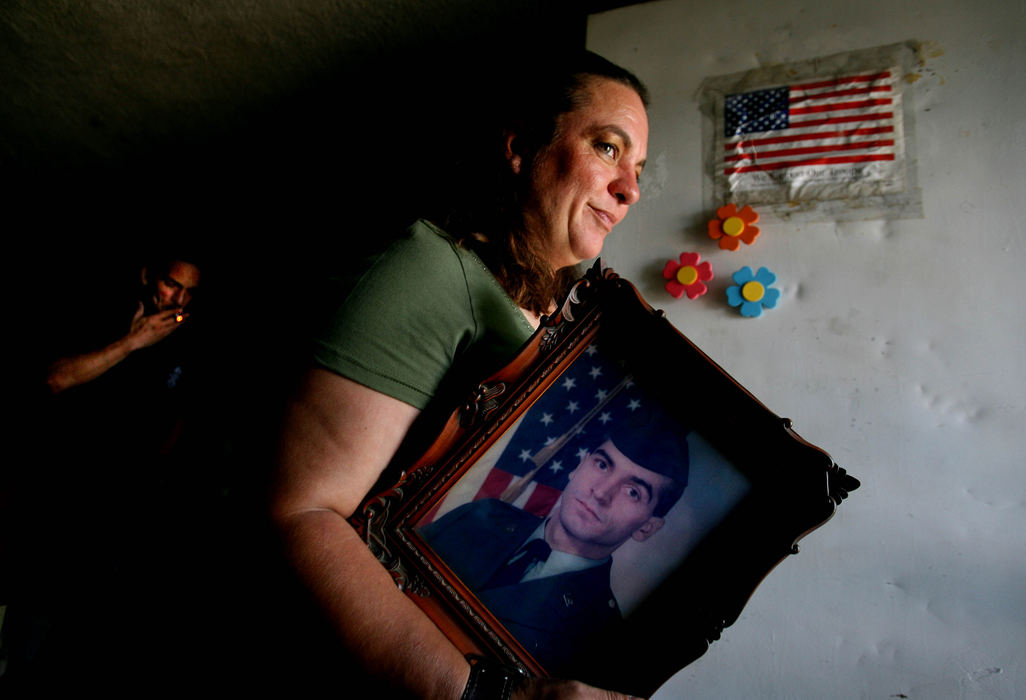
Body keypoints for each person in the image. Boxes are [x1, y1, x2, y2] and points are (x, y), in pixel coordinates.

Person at [271, 50, 650, 699]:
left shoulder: (559, 317)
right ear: (520, 146)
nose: (630, 190)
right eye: (608, 148)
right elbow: (300, 511)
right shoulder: (429, 271)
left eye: (637, 169)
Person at [419, 418, 690, 679]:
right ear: (579, 466)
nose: (601, 492)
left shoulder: (600, 641)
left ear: (647, 527)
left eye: (633, 492)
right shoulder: (481, 516)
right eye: (602, 464)